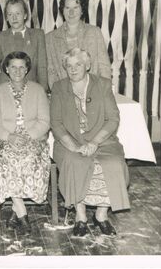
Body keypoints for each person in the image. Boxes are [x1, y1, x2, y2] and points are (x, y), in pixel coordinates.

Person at [50, 48, 130, 237]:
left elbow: (113, 119)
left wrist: (94, 142)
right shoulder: (59, 87)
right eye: (69, 66)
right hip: (70, 142)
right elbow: (56, 123)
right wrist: (75, 147)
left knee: (114, 164)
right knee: (75, 163)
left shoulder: (102, 85)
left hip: (102, 141)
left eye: (78, 64)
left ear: (87, 65)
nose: (73, 69)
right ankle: (81, 216)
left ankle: (101, 215)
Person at [0, 51, 50, 235]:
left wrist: (28, 136)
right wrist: (10, 137)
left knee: (30, 158)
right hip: (6, 139)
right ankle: (22, 211)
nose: (17, 71)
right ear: (6, 69)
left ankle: (16, 213)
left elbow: (45, 121)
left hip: (33, 138)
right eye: (13, 67)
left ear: (27, 69)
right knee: (7, 159)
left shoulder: (38, 90)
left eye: (21, 67)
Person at [46, 0, 111, 90]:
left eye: (75, 8)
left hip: (93, 91)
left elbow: (104, 66)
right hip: (64, 93)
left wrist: (103, 91)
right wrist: (58, 92)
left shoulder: (94, 32)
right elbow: (51, 71)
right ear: (62, 10)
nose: (71, 12)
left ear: (82, 10)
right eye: (67, 8)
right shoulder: (50, 38)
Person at [0, 0, 48, 92]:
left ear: (25, 15)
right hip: (5, 91)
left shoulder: (38, 35)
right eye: (10, 14)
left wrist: (42, 92)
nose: (14, 18)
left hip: (32, 91)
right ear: (7, 18)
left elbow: (42, 67)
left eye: (18, 13)